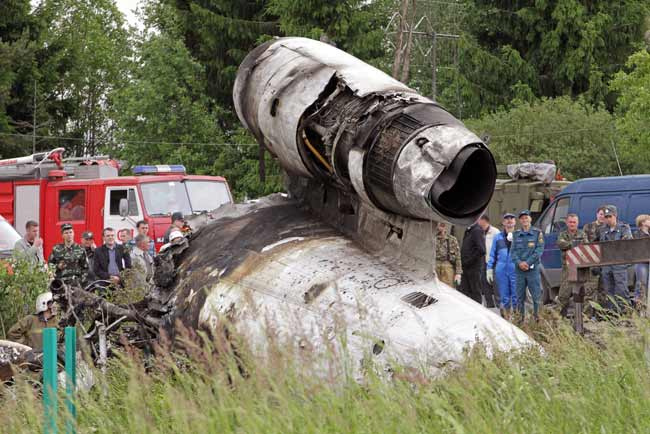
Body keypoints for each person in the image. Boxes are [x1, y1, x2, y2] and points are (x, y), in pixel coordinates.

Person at [511, 210, 545, 323]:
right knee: (519, 296)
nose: (524, 220)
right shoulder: (515, 234)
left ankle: (538, 320)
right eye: (522, 218)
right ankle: (520, 321)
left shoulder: (537, 233)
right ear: (520, 220)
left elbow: (539, 250)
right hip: (519, 270)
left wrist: (528, 263)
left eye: (526, 218)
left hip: (533, 270)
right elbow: (513, 252)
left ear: (530, 219)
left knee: (536, 296)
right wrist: (520, 263)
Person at [598, 206, 633, 312]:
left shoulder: (624, 228)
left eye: (610, 216)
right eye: (606, 217)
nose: (608, 219)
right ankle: (612, 313)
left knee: (621, 289)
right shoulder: (602, 229)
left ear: (615, 216)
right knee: (608, 290)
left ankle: (626, 312)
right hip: (606, 263)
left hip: (619, 263)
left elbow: (628, 242)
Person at [487, 213, 517, 319]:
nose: (509, 221)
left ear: (515, 222)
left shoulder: (520, 236)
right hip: (502, 269)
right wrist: (489, 268)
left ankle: (517, 319)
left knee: (516, 295)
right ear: (503, 222)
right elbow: (492, 254)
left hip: (515, 269)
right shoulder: (497, 237)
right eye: (507, 219)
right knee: (504, 296)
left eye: (511, 219)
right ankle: (506, 318)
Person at [556, 214, 586, 317]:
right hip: (568, 267)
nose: (572, 224)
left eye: (574, 222)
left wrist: (570, 245)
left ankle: (581, 317)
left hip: (580, 268)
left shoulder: (583, 234)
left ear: (577, 223)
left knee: (581, 293)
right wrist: (574, 244)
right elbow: (560, 244)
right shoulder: (563, 234)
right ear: (567, 223)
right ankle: (560, 317)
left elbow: (585, 246)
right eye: (570, 222)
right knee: (564, 293)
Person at [460, 220, 486, 303]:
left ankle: (478, 314)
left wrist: (468, 261)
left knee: (475, 292)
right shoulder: (468, 230)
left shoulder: (477, 230)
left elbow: (481, 250)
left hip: (473, 268)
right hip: (466, 268)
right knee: (465, 292)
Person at [478, 215, 499, 307]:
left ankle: (499, 304)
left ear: (484, 221)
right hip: (482, 260)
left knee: (495, 282)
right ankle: (490, 304)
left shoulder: (495, 232)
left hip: (493, 261)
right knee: (484, 282)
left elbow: (500, 246)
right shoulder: (479, 231)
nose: (477, 222)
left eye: (479, 220)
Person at [435, 222, 462, 287]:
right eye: (440, 225)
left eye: (443, 225)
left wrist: (458, 273)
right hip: (436, 267)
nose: (441, 227)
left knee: (448, 290)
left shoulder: (452, 239)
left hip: (448, 267)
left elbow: (458, 257)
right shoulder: (433, 238)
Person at [634, 214, 650, 307]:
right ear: (643, 222)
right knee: (641, 284)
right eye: (649, 220)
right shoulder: (637, 234)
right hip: (642, 262)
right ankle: (639, 307)